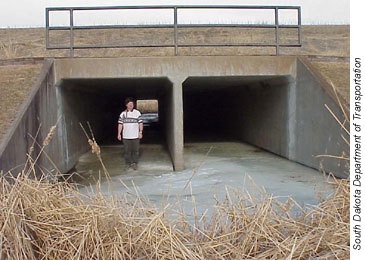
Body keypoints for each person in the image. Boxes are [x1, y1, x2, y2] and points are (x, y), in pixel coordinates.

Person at [117, 97, 143, 170]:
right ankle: (127, 164)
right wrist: (119, 134)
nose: (131, 105)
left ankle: (134, 163)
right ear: (126, 105)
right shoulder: (122, 114)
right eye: (129, 104)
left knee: (136, 151)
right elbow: (120, 124)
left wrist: (140, 132)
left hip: (135, 136)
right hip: (126, 136)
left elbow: (140, 123)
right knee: (127, 151)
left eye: (132, 104)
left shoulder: (137, 113)